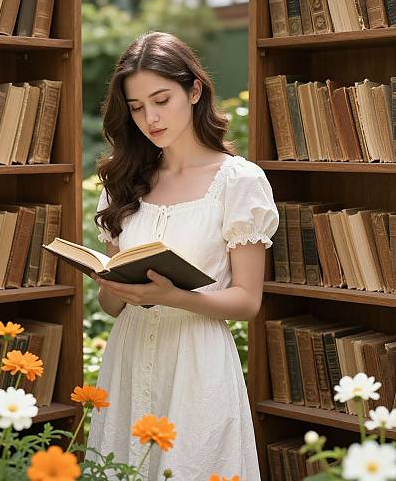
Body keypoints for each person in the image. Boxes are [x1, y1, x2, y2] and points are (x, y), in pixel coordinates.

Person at [88, 31, 279, 481]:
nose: (150, 118)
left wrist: (173, 296)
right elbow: (110, 307)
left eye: (161, 99)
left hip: (197, 364)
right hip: (129, 360)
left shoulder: (239, 182)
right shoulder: (123, 181)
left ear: (194, 90)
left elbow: (247, 302)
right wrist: (111, 284)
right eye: (136, 107)